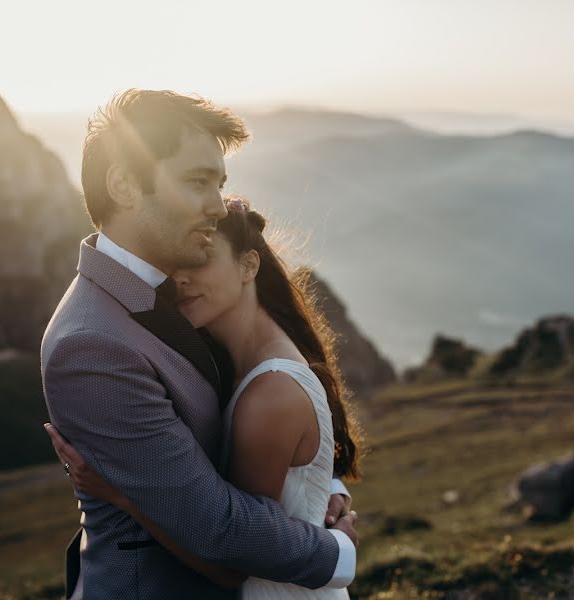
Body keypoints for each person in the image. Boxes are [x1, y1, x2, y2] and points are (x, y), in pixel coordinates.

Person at [40, 89, 358, 599]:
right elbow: (215, 527)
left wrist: (319, 488)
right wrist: (337, 552)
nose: (217, 205)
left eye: (220, 183)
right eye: (196, 182)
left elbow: (255, 411)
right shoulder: (92, 345)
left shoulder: (185, 295)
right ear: (122, 184)